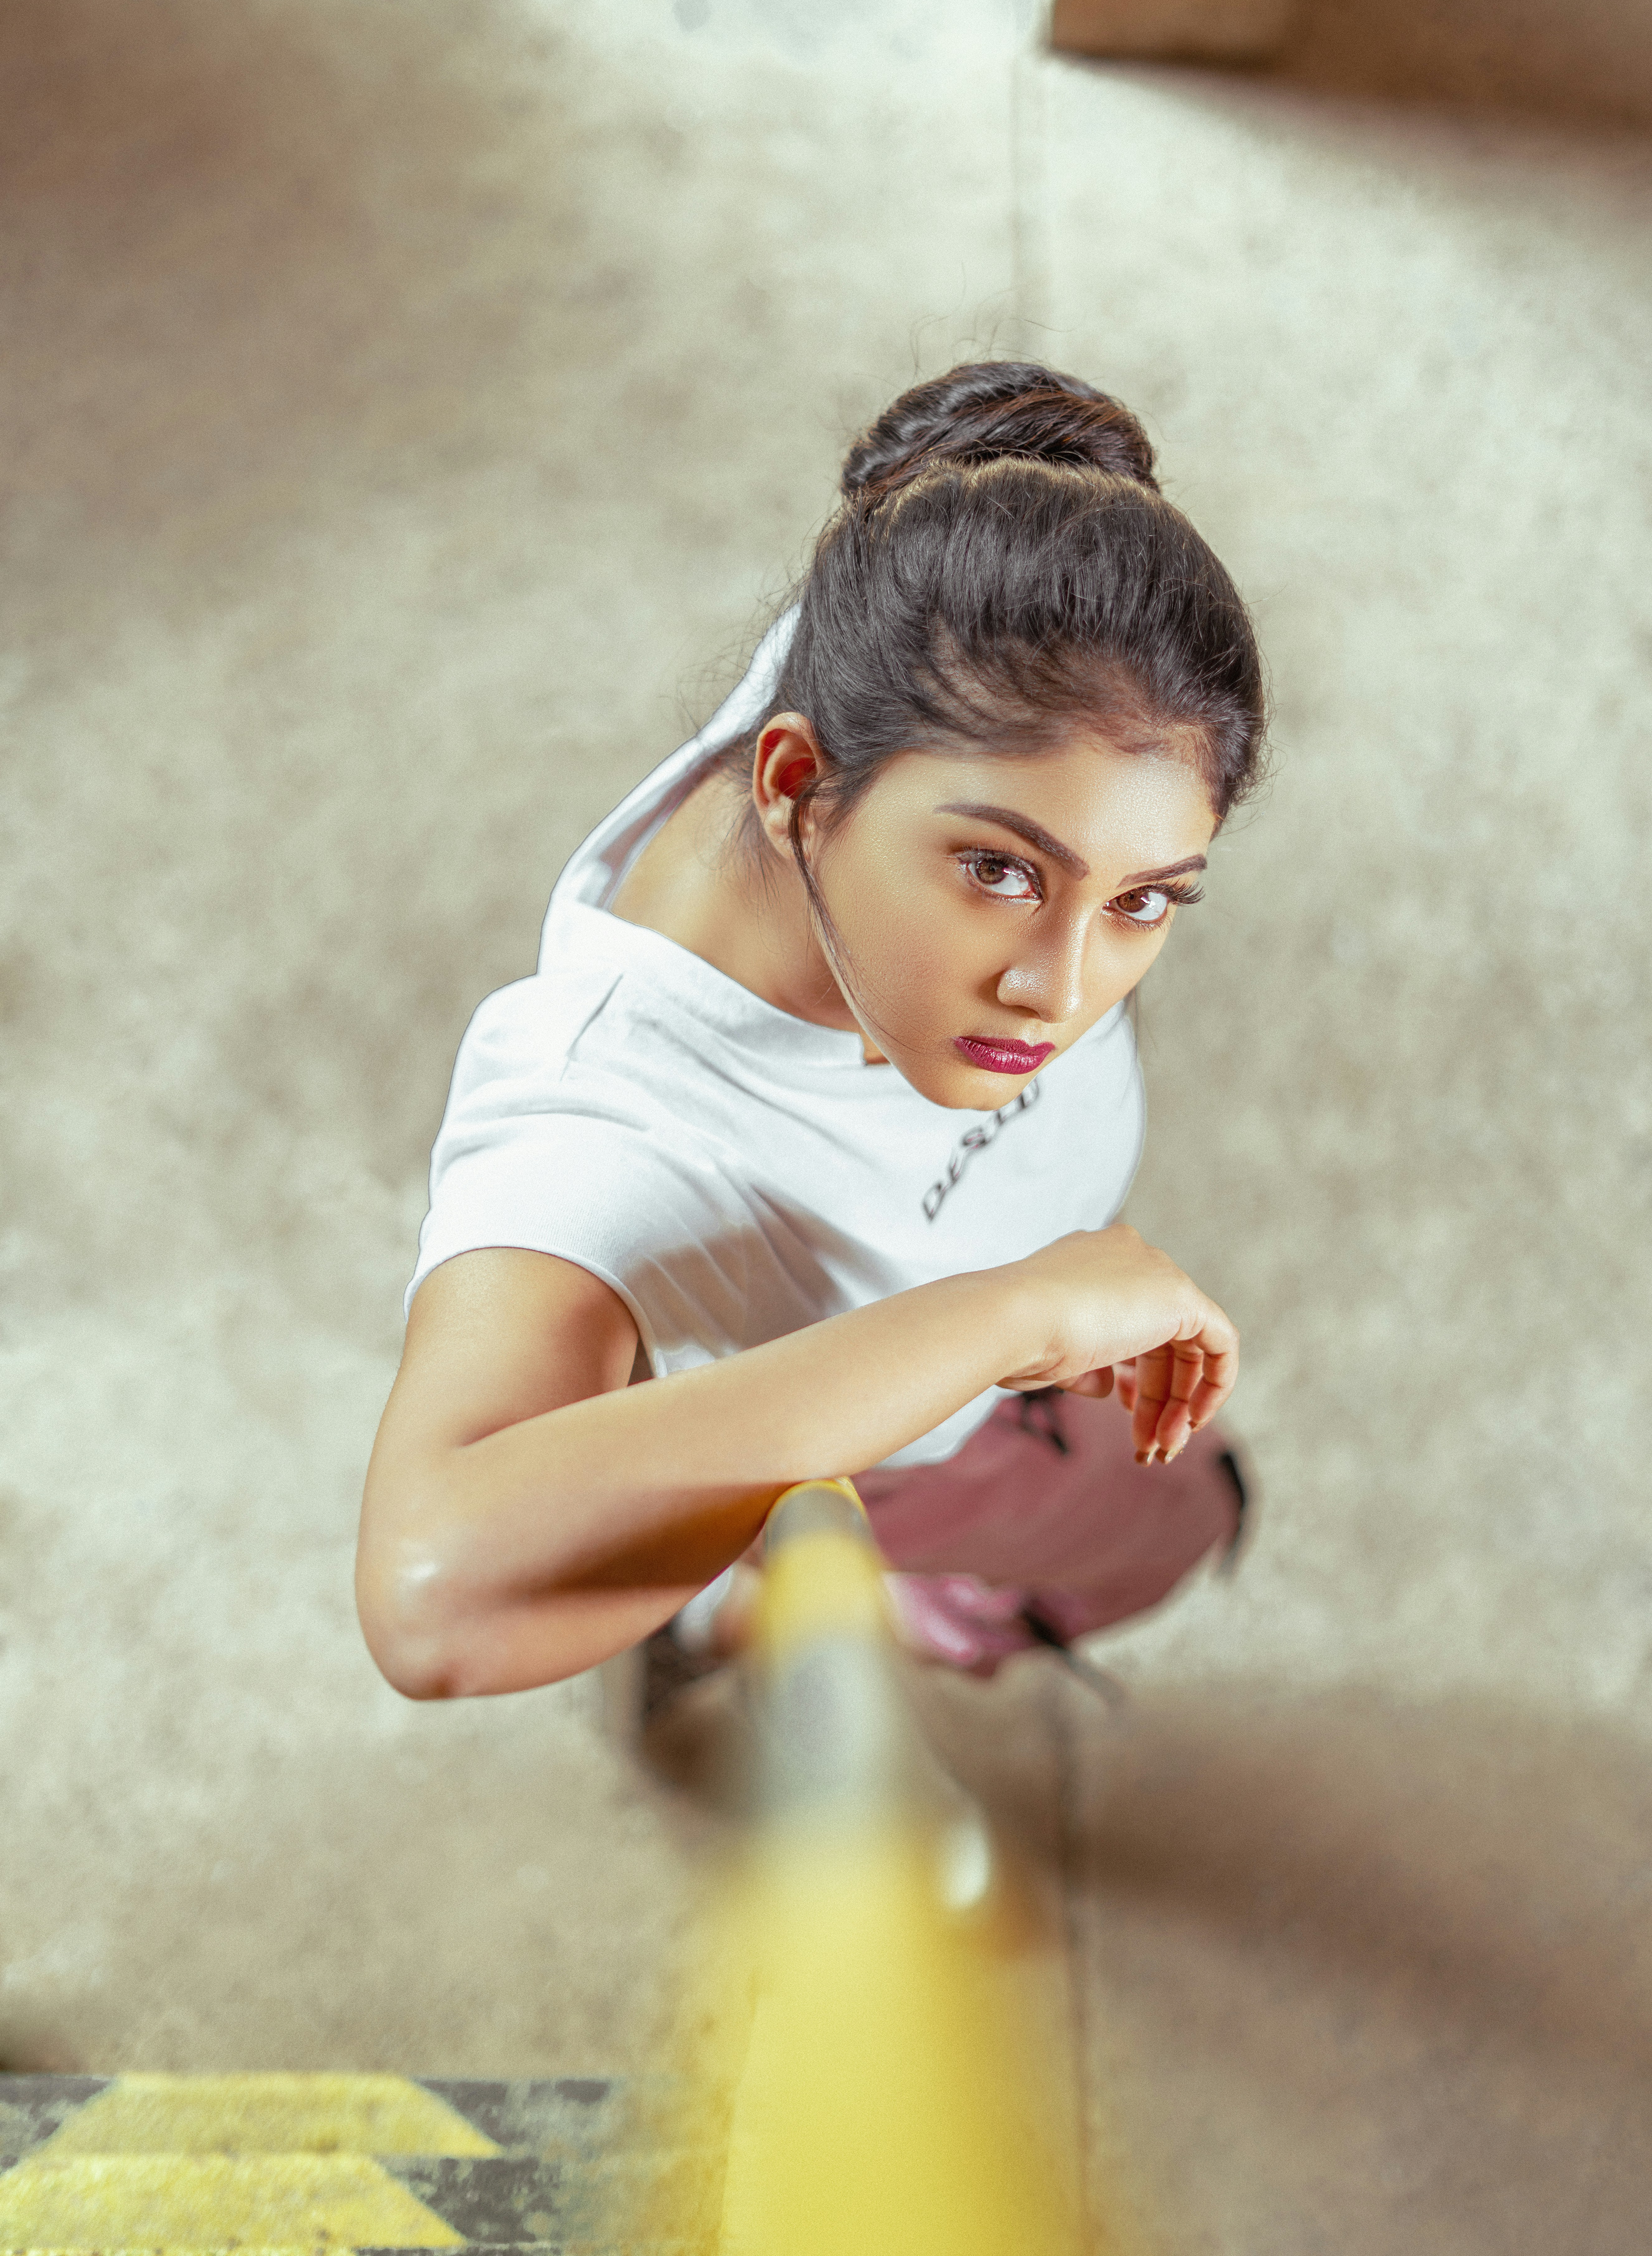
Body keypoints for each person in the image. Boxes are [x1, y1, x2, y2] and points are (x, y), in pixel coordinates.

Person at [356, 360, 1265, 1721]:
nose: (1059, 991)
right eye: (1004, 872)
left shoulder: (925, 648)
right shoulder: (605, 1120)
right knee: (1174, 1522)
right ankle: (753, 1602)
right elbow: (430, 1592)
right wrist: (1008, 1317)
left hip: (1043, 1349)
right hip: (911, 1447)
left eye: (1142, 900)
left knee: (1181, 1507)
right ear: (795, 784)